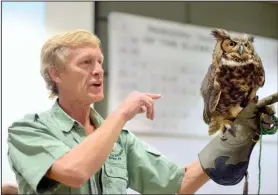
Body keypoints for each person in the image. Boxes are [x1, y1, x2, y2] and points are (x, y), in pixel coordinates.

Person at [7, 29, 276, 194]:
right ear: (56, 74)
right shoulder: (28, 131)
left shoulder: (120, 141)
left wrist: (238, 133)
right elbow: (74, 172)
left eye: (100, 61)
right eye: (86, 63)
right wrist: (122, 112)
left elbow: (177, 185)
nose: (98, 69)